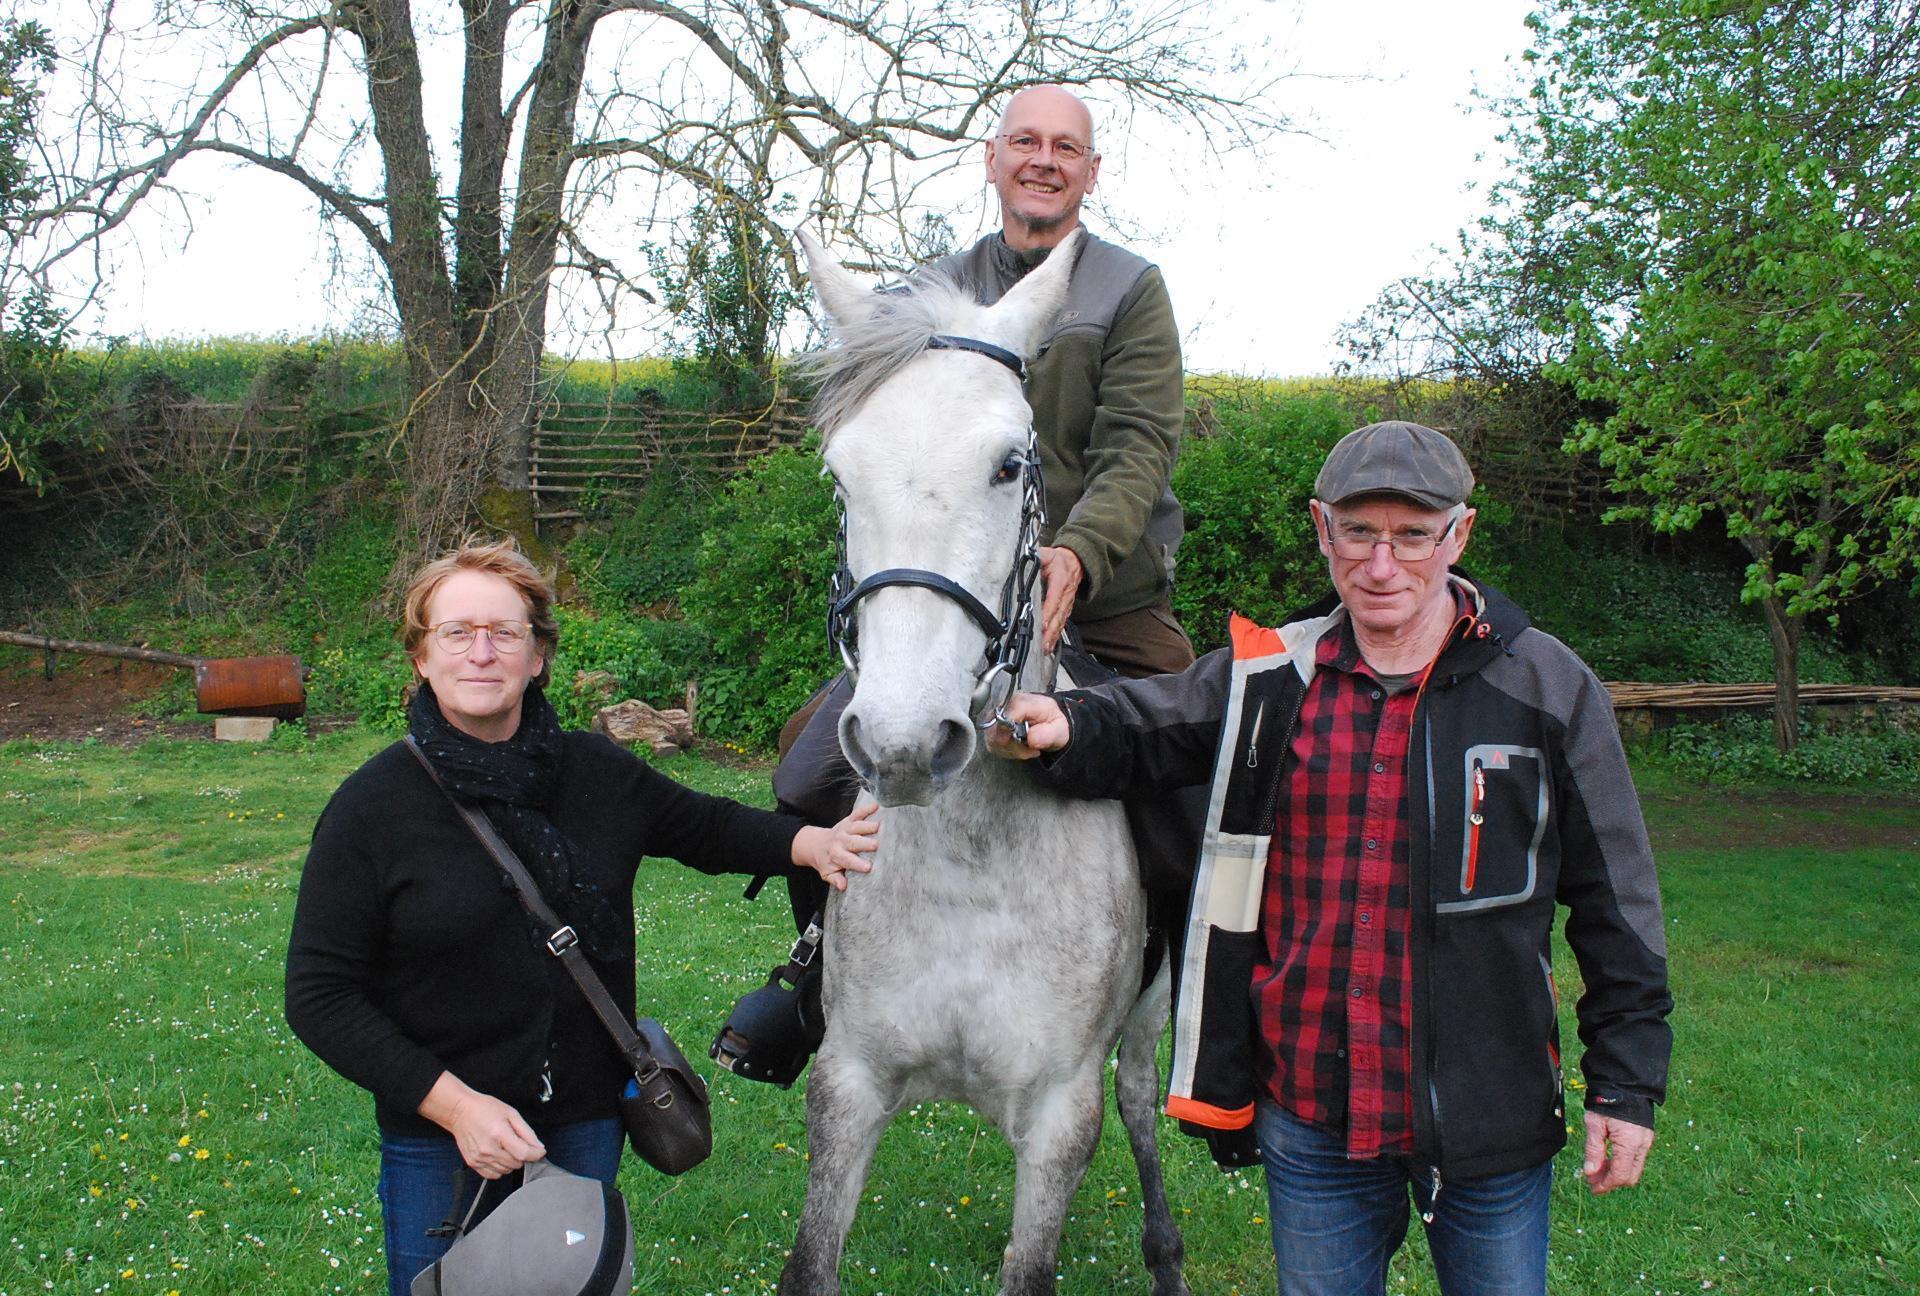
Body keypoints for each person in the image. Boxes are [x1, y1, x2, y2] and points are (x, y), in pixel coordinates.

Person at [989, 422, 1674, 1294]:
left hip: (1489, 1117)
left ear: (1458, 535)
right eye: (1358, 532)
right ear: (1322, 529)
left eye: (1413, 536)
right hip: (1314, 1120)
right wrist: (1066, 722)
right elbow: (1146, 723)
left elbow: (1620, 904)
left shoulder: (1547, 687)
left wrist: (1625, 1084)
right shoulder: (1273, 674)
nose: (1381, 565)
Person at [718, 83, 1198, 1084]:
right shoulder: (928, 294)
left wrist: (1078, 552)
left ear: (1090, 172)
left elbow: (1137, 447)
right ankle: (813, 976)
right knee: (805, 778)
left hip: (1104, 608)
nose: (1043, 159)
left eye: (1066, 147)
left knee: (1197, 787)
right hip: (961, 622)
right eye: (1025, 140)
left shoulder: (1127, 289)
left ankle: (1198, 998)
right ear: (993, 159)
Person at [284, 541, 878, 1296]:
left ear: (538, 657)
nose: (481, 652)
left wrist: (811, 840)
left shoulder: (596, 772)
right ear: (422, 657)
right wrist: (457, 1108)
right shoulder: (373, 807)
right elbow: (318, 994)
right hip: (438, 1141)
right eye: (456, 633)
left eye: (505, 633)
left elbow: (707, 828)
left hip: (582, 1120)